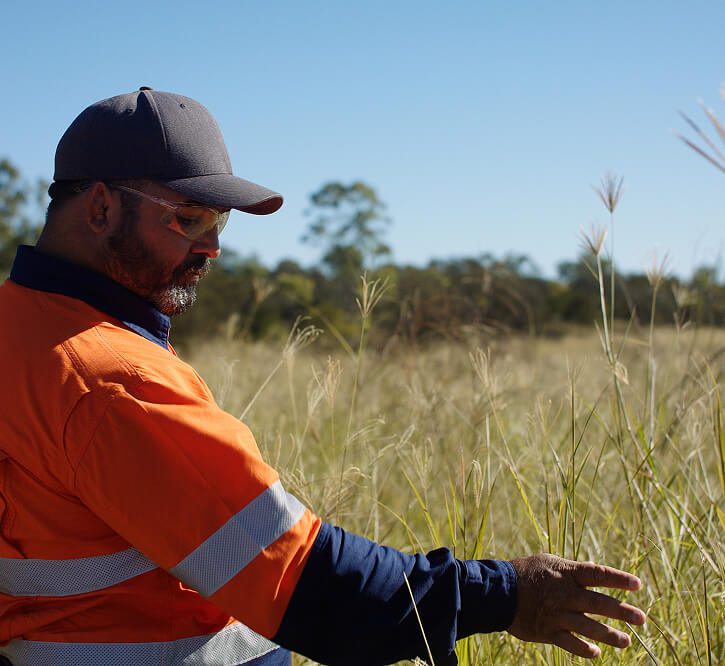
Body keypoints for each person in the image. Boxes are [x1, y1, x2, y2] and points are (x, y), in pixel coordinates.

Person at [0, 88, 646, 666]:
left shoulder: (16, 328)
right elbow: (311, 587)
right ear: (101, 209)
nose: (210, 249)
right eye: (186, 219)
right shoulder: (112, 381)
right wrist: (505, 594)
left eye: (218, 224)